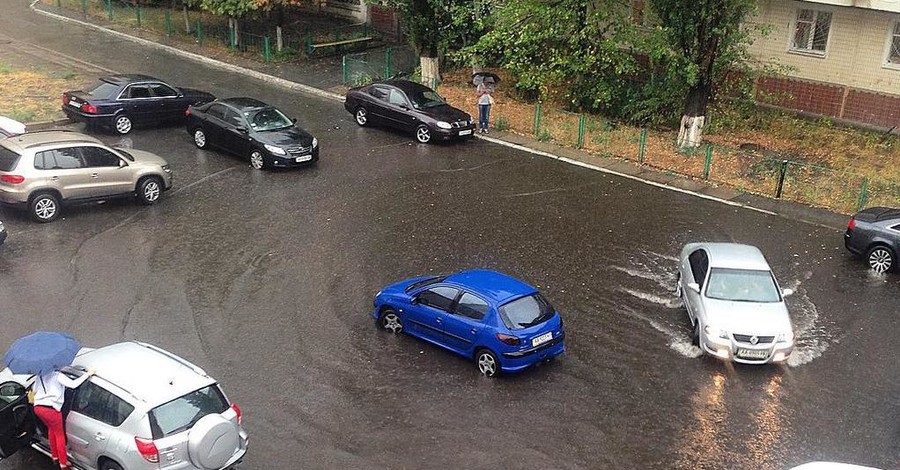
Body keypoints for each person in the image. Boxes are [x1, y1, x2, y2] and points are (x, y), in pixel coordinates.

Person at [32, 368, 93, 470]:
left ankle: (55, 456)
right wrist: (87, 374)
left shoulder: (40, 376)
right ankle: (63, 463)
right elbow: (73, 384)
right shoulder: (58, 376)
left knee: (51, 429)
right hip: (51, 410)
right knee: (59, 435)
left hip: (38, 408)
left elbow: (34, 391)